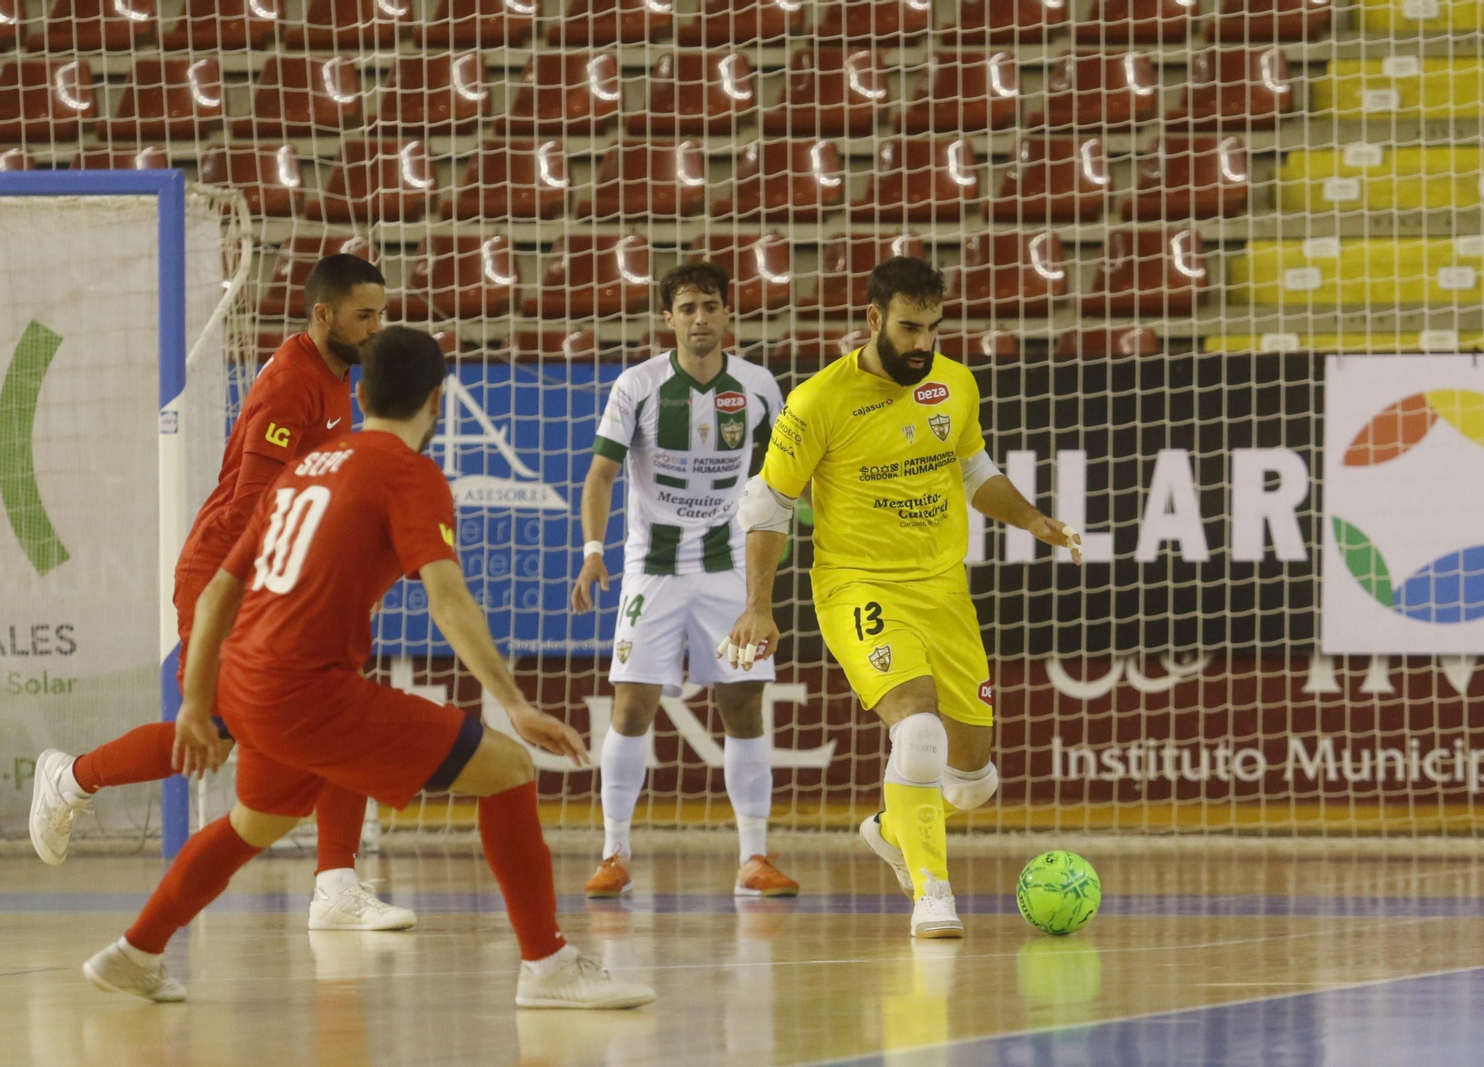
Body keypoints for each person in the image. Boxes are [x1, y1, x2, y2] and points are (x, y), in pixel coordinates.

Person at [83, 326, 656, 1010]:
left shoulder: (303, 469)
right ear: (437, 400)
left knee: (254, 825)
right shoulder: (408, 473)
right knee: (509, 769)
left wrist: (195, 703)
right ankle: (548, 967)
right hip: (306, 690)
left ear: (360, 395)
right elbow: (447, 599)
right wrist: (515, 703)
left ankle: (136, 951)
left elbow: (215, 596)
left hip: (245, 682)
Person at [30, 254, 416, 932]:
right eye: (365, 315)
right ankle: (70, 778)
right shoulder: (291, 384)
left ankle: (335, 884)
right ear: (322, 314)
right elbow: (252, 506)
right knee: (215, 729)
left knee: (337, 708)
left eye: (382, 314)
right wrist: (303, 583)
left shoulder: (336, 375)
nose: (376, 329)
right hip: (229, 572)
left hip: (274, 573)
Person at [722, 257, 1083, 938]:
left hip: (943, 589)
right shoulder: (818, 401)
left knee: (972, 783)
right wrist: (758, 605)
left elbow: (973, 469)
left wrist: (1035, 520)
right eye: (910, 328)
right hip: (857, 585)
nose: (924, 343)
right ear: (873, 319)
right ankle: (932, 893)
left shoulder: (955, 382)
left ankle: (894, 829)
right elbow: (769, 504)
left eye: (933, 328)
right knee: (917, 730)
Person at [571, 264, 797, 899]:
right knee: (631, 706)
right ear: (667, 318)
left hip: (731, 570)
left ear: (727, 314)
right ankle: (614, 853)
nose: (701, 317)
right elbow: (600, 475)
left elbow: (789, 472)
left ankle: (754, 858)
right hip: (654, 570)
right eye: (689, 307)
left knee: (743, 705)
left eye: (711, 306)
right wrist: (593, 551)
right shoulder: (638, 384)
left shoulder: (757, 386)